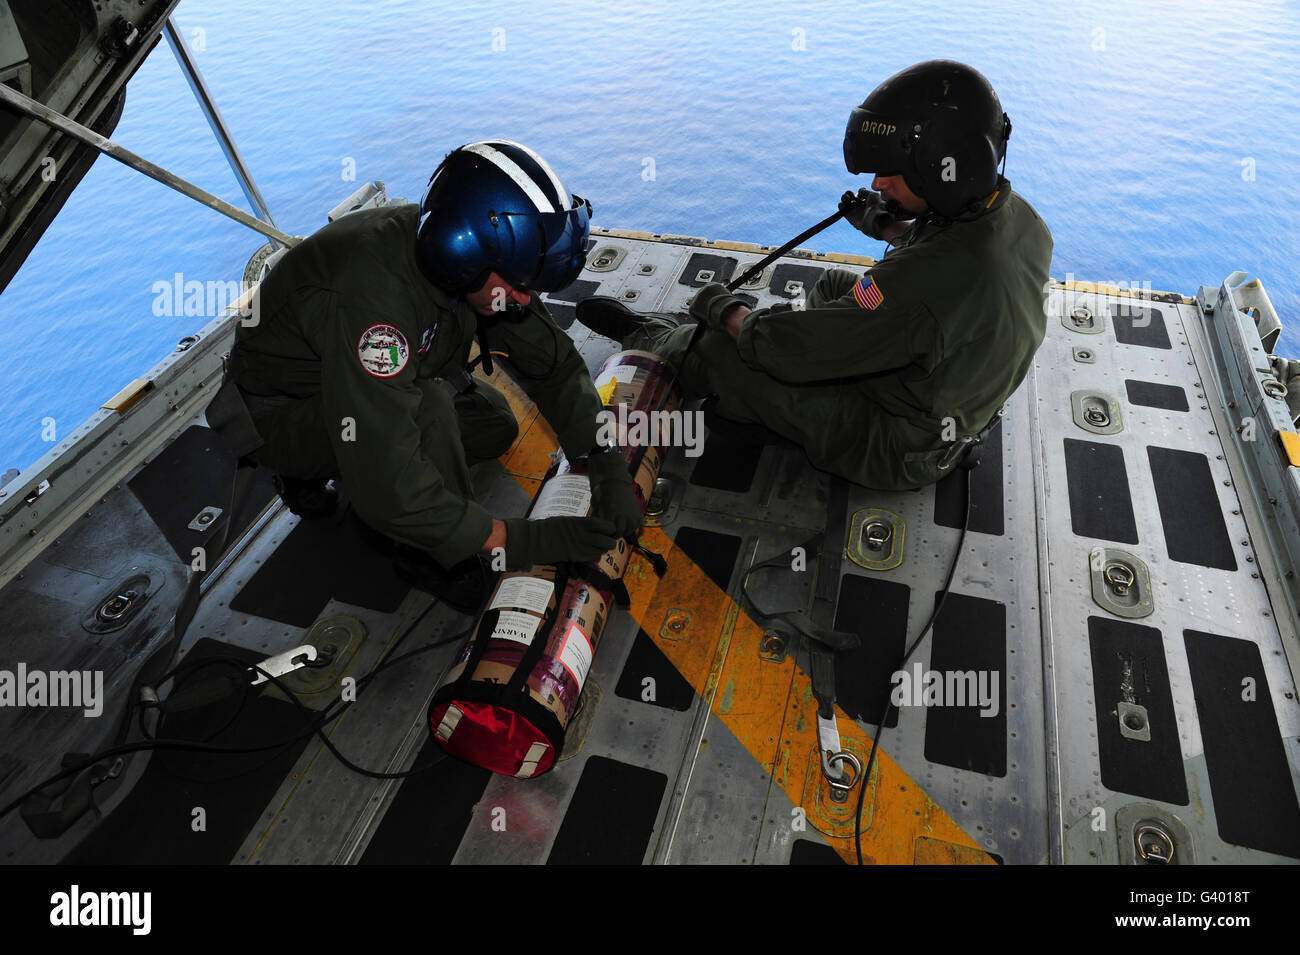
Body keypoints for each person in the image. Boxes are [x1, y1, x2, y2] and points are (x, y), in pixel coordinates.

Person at [574, 60, 1053, 490]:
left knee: (716, 346)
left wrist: (723, 309)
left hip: (897, 444)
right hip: (948, 385)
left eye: (892, 172)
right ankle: (781, 369)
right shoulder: (1019, 219)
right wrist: (891, 227)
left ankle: (652, 336)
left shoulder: (925, 286)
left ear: (944, 169)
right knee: (833, 287)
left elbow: (797, 348)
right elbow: (950, 266)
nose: (876, 184)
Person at [220, 140, 640, 609]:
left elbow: (554, 367)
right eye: (519, 285)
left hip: (356, 384)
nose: (524, 300)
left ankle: (381, 486)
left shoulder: (465, 261)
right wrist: (519, 542)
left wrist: (605, 461)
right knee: (429, 413)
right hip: (278, 412)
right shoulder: (375, 302)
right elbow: (390, 487)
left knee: (493, 423)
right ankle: (429, 557)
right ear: (462, 257)